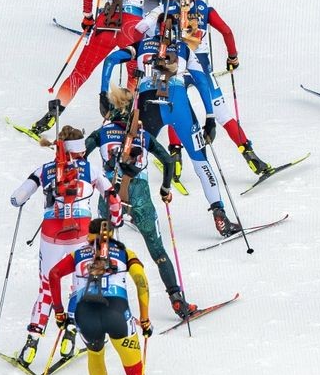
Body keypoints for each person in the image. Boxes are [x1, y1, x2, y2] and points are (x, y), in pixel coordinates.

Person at [100, 19, 241, 237]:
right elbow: (202, 81)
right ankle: (219, 214)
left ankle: (131, 209)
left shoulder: (142, 46)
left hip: (148, 105)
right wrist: (210, 117)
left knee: (136, 157)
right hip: (179, 103)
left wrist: (103, 94)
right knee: (200, 159)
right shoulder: (184, 47)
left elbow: (111, 60)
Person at [28, 0, 170, 137]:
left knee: (80, 73)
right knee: (135, 74)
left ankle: (50, 117)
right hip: (132, 29)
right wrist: (156, 16)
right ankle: (128, 121)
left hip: (105, 24)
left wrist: (87, 17)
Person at [9, 126, 123, 366]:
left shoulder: (44, 170)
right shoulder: (91, 169)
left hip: (52, 238)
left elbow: (17, 198)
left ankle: (31, 344)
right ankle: (69, 337)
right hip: (81, 238)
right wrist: (117, 219)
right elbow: (113, 197)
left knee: (46, 289)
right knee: (77, 287)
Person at [48, 219, 164, 375]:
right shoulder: (125, 253)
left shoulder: (77, 254)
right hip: (117, 315)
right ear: (113, 233)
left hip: (86, 315)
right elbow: (141, 282)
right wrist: (146, 319)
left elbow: (53, 275)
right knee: (134, 369)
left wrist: (60, 313)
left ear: (89, 236)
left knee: (95, 354)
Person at [87, 87, 197, 317]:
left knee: (101, 249)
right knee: (158, 251)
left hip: (109, 195)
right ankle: (177, 300)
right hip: (139, 195)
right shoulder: (143, 135)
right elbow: (167, 160)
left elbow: (80, 157)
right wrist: (165, 187)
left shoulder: (101, 133)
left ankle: (95, 298)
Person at [163, 0, 272, 176]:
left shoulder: (166, 9)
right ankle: (251, 156)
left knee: (175, 111)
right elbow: (227, 31)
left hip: (178, 66)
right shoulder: (205, 9)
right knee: (224, 115)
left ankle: (175, 160)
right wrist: (232, 57)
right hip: (203, 67)